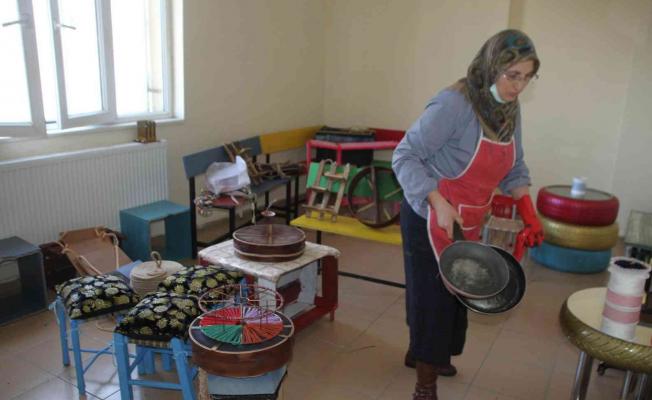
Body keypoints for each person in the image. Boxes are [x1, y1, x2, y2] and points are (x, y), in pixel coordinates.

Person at [391, 29, 544, 400]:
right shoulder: (454, 104)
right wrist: (436, 200)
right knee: (431, 299)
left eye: (527, 77)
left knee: (457, 295)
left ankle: (427, 353)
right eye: (512, 75)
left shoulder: (509, 109)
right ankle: (424, 385)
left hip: (468, 218)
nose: (519, 86)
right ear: (491, 67)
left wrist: (529, 211)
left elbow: (515, 167)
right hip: (429, 214)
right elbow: (404, 155)